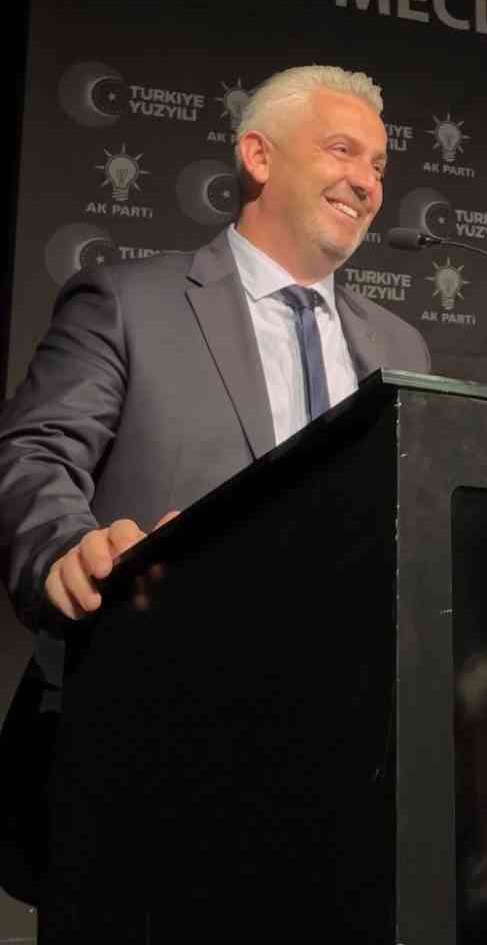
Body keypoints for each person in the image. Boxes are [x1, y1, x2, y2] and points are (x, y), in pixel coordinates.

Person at [0, 63, 430, 632]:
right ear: (259, 157)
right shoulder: (128, 304)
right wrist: (66, 549)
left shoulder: (402, 346)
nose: (366, 183)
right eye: (342, 150)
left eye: (378, 166)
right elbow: (37, 453)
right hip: (152, 655)